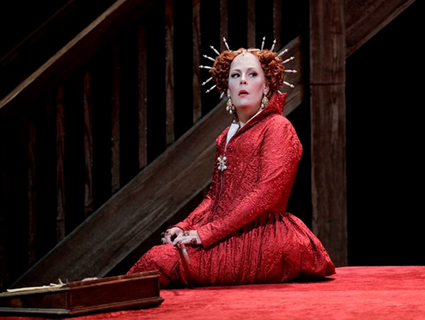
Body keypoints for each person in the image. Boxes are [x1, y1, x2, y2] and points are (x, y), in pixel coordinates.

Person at [127, 39, 335, 287]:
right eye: (236, 75)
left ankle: (100, 299)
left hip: (265, 236)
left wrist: (205, 233)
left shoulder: (278, 127)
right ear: (227, 87)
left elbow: (265, 196)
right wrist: (184, 226)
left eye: (252, 74)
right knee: (162, 256)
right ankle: (98, 297)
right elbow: (215, 197)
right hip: (231, 231)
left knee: (160, 259)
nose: (243, 80)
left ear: (266, 85)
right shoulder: (226, 135)